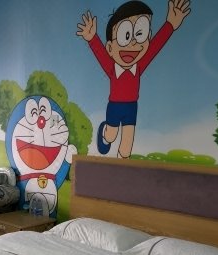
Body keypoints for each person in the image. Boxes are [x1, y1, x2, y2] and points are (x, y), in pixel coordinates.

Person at [77, 0, 191, 157]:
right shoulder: (111, 68)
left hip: (131, 107)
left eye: (139, 34)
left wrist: (170, 24)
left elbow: (156, 46)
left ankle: (121, 167)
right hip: (114, 107)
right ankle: (105, 133)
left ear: (147, 38)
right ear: (110, 48)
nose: (132, 43)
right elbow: (100, 53)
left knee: (126, 146)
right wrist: (91, 38)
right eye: (125, 36)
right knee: (111, 136)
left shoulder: (139, 66)